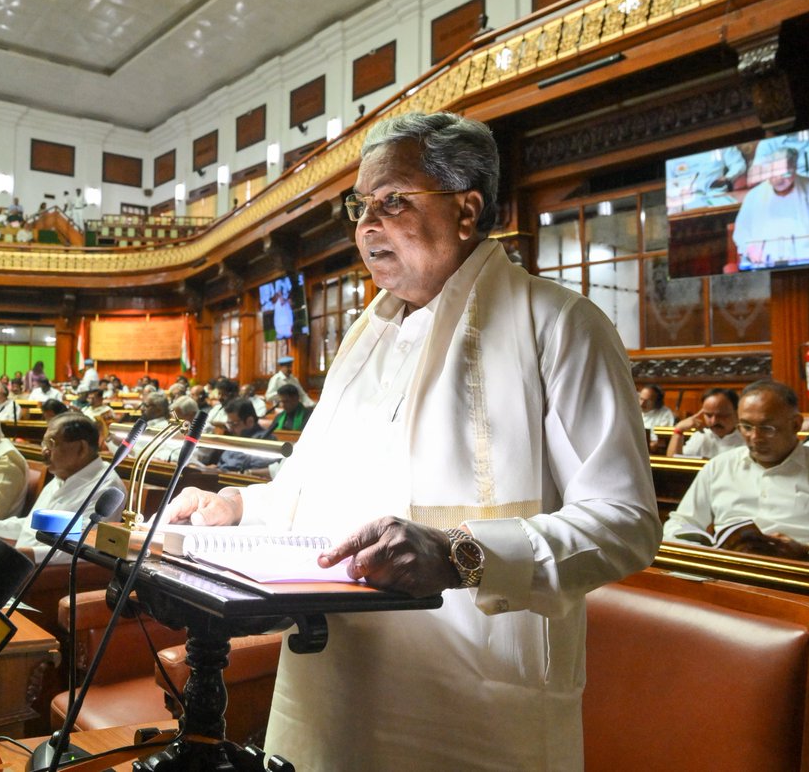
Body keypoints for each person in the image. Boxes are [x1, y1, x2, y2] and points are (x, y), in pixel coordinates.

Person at [166, 111, 659, 769]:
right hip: (333, 678)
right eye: (360, 206)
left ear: (467, 209)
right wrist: (235, 507)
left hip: (471, 700)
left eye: (393, 201)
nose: (367, 225)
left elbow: (624, 523)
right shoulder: (364, 338)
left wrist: (461, 555)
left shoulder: (559, 324)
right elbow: (315, 489)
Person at [664, 380, 809, 564]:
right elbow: (680, 523)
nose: (755, 437)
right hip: (727, 572)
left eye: (767, 428)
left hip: (802, 575)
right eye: (746, 427)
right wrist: (702, 551)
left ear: (796, 424)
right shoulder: (719, 466)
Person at [0, 413, 124, 562]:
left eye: (51, 444)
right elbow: (33, 525)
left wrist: (22, 555)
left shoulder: (106, 488)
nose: (44, 451)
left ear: (81, 448)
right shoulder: (62, 476)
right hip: (20, 563)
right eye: (44, 444)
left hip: (49, 576)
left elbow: (84, 547)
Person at [732, 147, 809, 269]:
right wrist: (750, 249)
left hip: (807, 258)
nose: (778, 180)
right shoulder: (753, 196)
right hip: (764, 262)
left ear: (794, 168)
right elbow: (741, 231)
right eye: (773, 175)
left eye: (785, 174)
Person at [665, 145, 747, 212]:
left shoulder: (721, 142)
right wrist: (677, 198)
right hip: (685, 204)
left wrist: (727, 178)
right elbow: (667, 186)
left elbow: (738, 164)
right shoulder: (671, 154)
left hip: (716, 196)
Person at [666, 387, 742, 458]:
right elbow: (673, 463)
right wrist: (678, 430)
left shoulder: (745, 438)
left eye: (722, 415)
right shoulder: (701, 436)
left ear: (737, 413)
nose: (714, 421)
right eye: (709, 415)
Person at [213, 398, 275, 474]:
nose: (230, 429)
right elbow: (222, 463)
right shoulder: (237, 436)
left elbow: (252, 474)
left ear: (250, 421)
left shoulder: (266, 440)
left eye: (234, 424)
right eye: (229, 424)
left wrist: (223, 472)